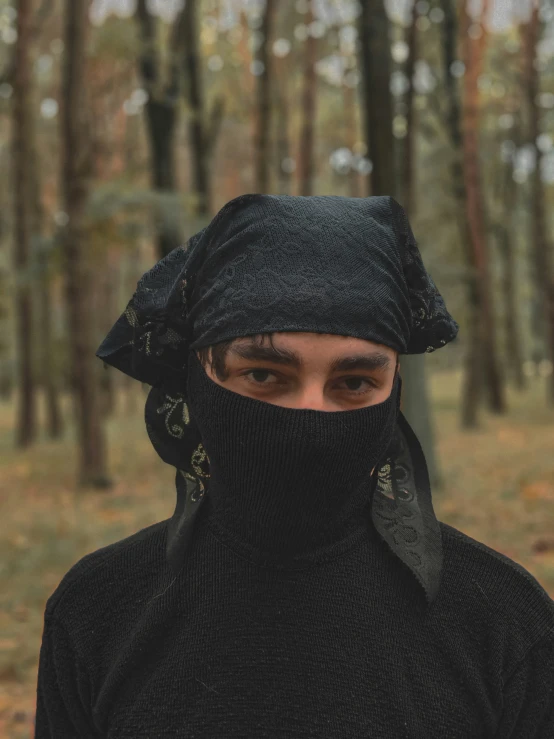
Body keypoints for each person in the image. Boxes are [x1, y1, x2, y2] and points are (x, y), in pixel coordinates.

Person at [35, 194, 554, 738]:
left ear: (392, 392)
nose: (310, 415)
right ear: (197, 381)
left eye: (353, 383)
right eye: (264, 375)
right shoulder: (96, 613)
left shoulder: (504, 626)